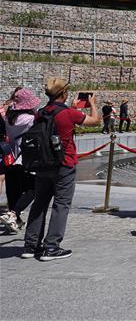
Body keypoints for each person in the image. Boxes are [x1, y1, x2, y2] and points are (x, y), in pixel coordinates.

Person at [22, 78, 101, 260]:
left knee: (39, 204)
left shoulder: (41, 112)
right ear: (64, 93)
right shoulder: (68, 114)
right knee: (61, 204)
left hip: (42, 164)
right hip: (63, 164)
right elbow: (95, 121)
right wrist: (92, 104)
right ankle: (52, 247)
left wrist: (72, 108)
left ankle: (31, 246)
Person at [0, 88, 40, 232]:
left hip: (11, 156)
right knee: (32, 188)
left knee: (14, 189)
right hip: (23, 158)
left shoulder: (10, 118)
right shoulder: (28, 120)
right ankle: (14, 213)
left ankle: (14, 220)